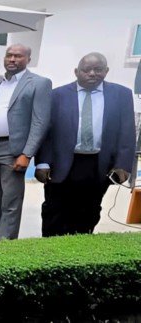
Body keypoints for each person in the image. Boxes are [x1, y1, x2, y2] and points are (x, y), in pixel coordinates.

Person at [35, 53, 135, 236]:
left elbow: (127, 132)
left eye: (98, 69)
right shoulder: (57, 95)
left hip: (98, 164)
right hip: (62, 164)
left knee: (89, 212)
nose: (92, 73)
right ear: (76, 71)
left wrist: (123, 165)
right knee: (54, 211)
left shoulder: (121, 95)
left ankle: (80, 249)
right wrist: (42, 162)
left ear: (106, 71)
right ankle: (50, 249)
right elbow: (47, 132)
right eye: (86, 69)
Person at [0, 44, 52, 242]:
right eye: (9, 55)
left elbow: (40, 122)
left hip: (14, 149)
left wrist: (27, 154)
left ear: (28, 59)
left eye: (18, 56)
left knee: (11, 199)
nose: (12, 59)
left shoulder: (39, 83)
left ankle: (6, 241)